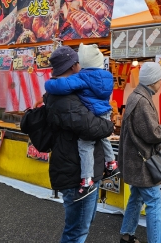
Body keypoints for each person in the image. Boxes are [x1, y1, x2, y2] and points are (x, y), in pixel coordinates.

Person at [44, 45, 114, 242]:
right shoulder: (64, 97)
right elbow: (91, 128)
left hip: (80, 168)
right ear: (75, 65)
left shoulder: (71, 91)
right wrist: (109, 125)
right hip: (75, 172)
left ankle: (110, 163)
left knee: (82, 225)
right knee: (77, 231)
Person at [118, 62, 161, 243]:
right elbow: (153, 134)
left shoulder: (136, 96)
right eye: (160, 80)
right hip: (142, 162)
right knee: (154, 203)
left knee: (136, 197)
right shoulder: (142, 101)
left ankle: (126, 235)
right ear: (153, 81)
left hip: (134, 159)